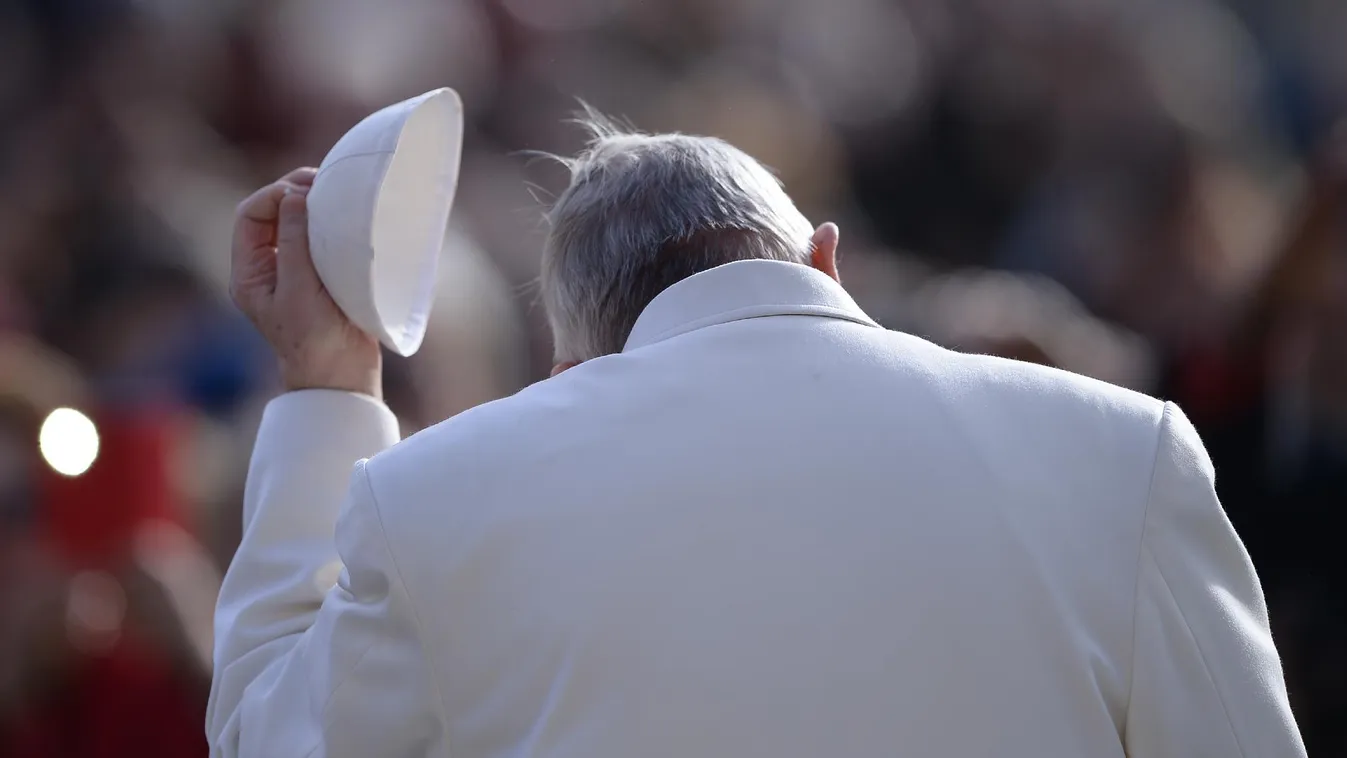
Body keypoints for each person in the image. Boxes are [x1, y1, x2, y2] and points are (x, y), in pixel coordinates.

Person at [207, 118, 1306, 757]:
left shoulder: (439, 496)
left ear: (570, 367)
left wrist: (327, 381)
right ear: (825, 259)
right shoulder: (1124, 448)